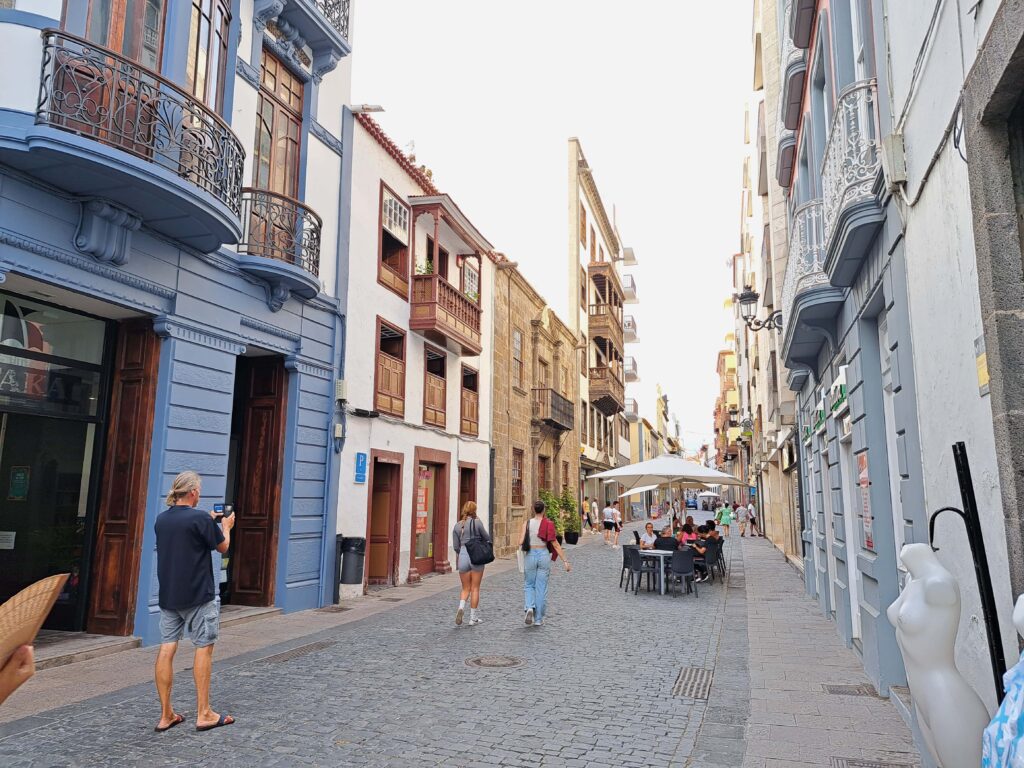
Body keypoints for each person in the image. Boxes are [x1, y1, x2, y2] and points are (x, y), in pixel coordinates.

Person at [153, 471, 235, 733]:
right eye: (198, 490)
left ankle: (166, 714)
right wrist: (225, 527)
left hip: (169, 596)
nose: (199, 494)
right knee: (203, 648)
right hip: (198, 595)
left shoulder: (162, 520)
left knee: (167, 650)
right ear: (193, 493)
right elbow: (222, 548)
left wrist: (208, 521)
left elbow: (186, 537)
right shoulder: (200, 518)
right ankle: (204, 712)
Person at [519, 500, 571, 626]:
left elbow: (520, 542)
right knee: (541, 587)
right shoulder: (548, 524)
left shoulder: (527, 523)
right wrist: (565, 561)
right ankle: (538, 619)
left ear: (533, 509)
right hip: (543, 555)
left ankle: (530, 607)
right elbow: (555, 544)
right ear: (543, 510)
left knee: (529, 584)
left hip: (530, 554)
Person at [452, 501, 490, 626]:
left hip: (462, 556)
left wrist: (462, 552)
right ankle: (473, 618)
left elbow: (456, 546)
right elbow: (487, 537)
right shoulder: (477, 523)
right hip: (476, 556)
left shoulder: (457, 526)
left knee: (465, 588)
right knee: (475, 588)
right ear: (474, 510)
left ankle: (461, 607)